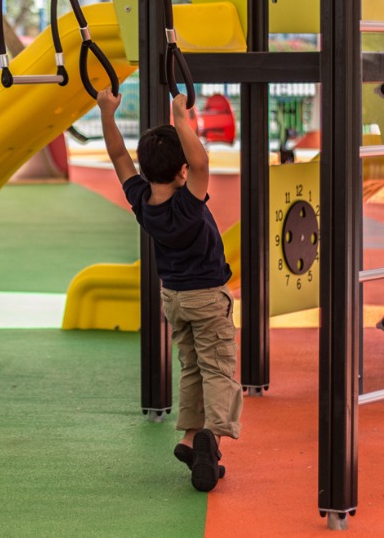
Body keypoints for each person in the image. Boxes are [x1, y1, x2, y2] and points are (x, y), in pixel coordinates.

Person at [97, 88, 242, 493]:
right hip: (207, 297)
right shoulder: (188, 204)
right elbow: (202, 162)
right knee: (217, 368)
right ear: (182, 171)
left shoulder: (143, 201)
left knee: (192, 365)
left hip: (174, 298)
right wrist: (181, 116)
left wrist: (107, 113)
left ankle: (191, 438)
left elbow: (118, 156)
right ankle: (212, 433)